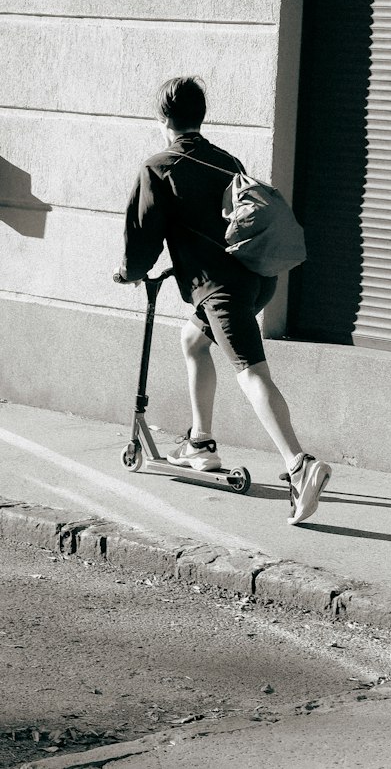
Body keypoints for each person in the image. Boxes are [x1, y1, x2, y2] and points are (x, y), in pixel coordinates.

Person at [115, 76, 331, 526]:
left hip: (220, 290)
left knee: (251, 373)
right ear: (200, 116)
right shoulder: (224, 160)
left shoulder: (158, 168)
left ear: (162, 120)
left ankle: (299, 463)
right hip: (255, 280)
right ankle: (200, 442)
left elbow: (142, 241)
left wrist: (128, 273)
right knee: (193, 340)